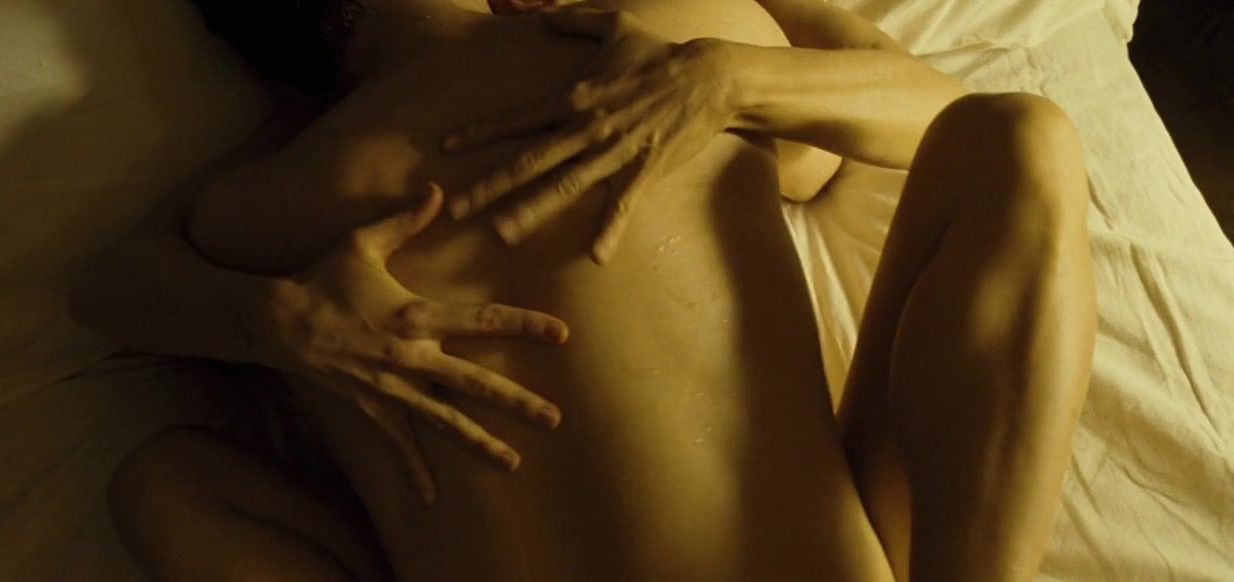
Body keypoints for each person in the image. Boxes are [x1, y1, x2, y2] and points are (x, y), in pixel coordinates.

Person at [69, 0, 1097, 580]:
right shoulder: (669, 33)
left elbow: (104, 288)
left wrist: (274, 318)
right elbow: (934, 120)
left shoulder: (265, 202)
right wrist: (737, 71)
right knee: (1023, 136)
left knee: (163, 483)